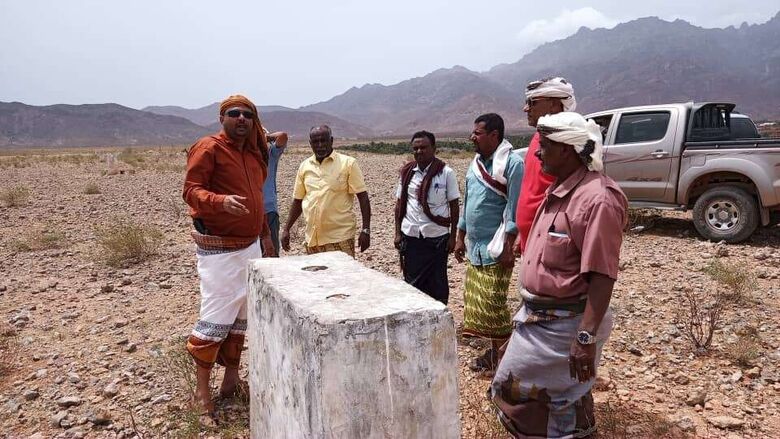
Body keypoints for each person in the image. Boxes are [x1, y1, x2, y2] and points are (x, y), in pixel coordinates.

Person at [490, 112, 627, 439]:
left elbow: (602, 274)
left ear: (567, 150)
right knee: (526, 393)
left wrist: (585, 337)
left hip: (565, 325)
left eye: (546, 146)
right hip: (537, 320)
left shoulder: (598, 199)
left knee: (556, 400)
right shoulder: (561, 190)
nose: (537, 153)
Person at [182, 95, 276, 418]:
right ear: (222, 118)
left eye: (247, 115)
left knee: (240, 318)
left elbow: (259, 201)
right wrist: (220, 202)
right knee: (215, 318)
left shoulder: (251, 156)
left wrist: (265, 236)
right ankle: (201, 394)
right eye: (234, 114)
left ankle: (231, 381)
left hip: (250, 247)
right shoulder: (208, 148)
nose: (241, 119)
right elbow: (190, 190)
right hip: (219, 250)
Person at [453, 113, 524, 372]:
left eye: (477, 133)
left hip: (496, 248)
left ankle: (508, 359)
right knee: (479, 305)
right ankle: (495, 354)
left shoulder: (513, 164)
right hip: (475, 248)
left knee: (494, 304)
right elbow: (468, 202)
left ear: (494, 135)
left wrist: (509, 245)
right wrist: (460, 236)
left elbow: (515, 208)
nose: (472, 137)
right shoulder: (475, 165)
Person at [281, 125, 371, 257]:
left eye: (324, 141)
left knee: (341, 277)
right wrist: (286, 229)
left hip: (340, 238)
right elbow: (298, 200)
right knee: (317, 278)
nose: (320, 145)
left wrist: (366, 230)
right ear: (310, 144)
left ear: (331, 140)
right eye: (316, 142)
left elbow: (363, 197)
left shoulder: (348, 164)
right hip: (312, 240)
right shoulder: (304, 166)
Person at [394, 130, 460, 304]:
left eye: (424, 147)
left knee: (437, 283)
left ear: (434, 148)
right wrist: (397, 233)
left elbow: (454, 205)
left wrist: (453, 236)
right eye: (415, 148)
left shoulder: (446, 173)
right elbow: (400, 205)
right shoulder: (407, 173)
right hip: (412, 236)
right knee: (412, 283)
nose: (419, 151)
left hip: (436, 237)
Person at [515, 77, 576, 253]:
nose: (525, 108)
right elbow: (533, 187)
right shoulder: (539, 138)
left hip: (550, 242)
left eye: (532, 102)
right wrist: (522, 231)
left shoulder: (565, 143)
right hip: (531, 239)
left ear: (554, 104)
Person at [261, 129, 289, 256]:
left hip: (269, 210)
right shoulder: (242, 154)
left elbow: (282, 136)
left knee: (271, 253)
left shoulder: (270, 154)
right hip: (248, 213)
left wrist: (264, 137)